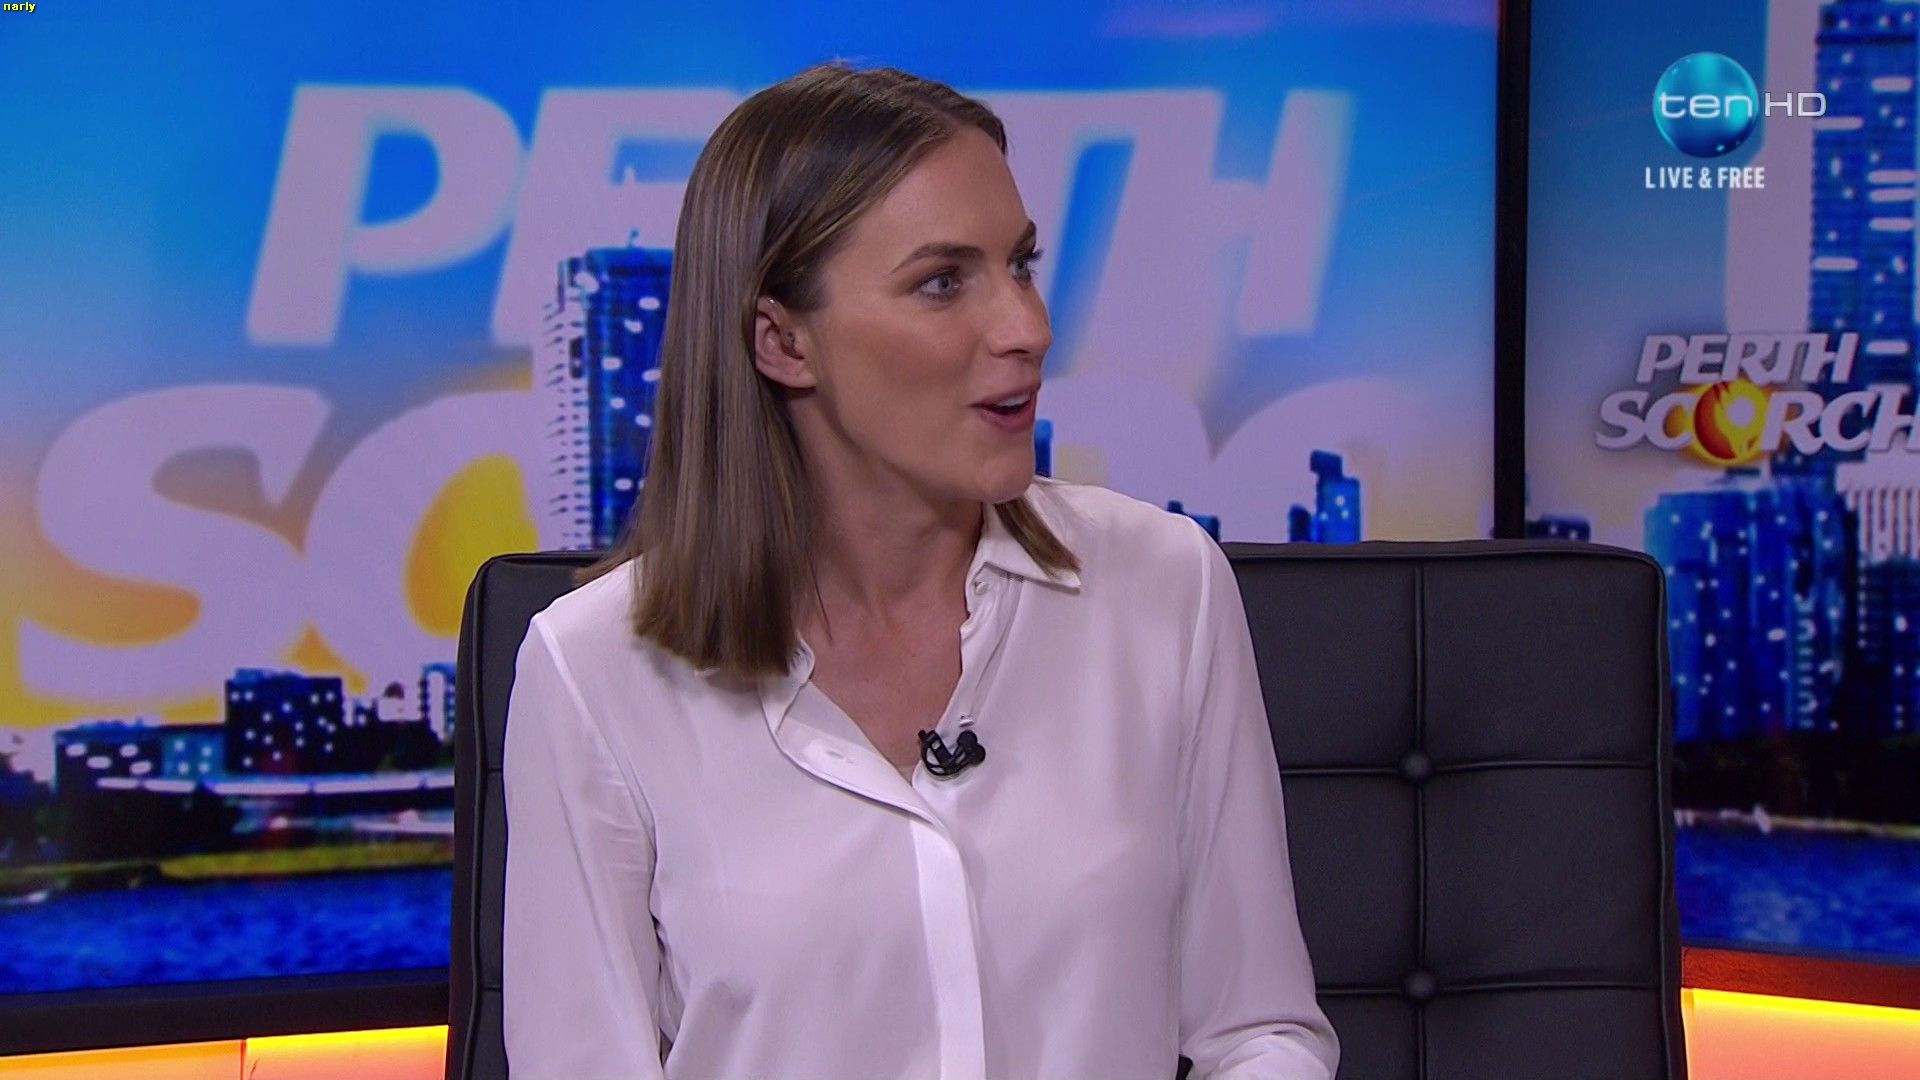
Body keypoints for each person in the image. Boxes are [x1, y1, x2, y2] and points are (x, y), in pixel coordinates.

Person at [501, 60, 1339, 1080]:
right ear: (783, 341)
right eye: (943, 282)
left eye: (1020, 266)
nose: (1027, 328)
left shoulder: (1164, 588)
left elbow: (1259, 1033)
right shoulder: (595, 672)